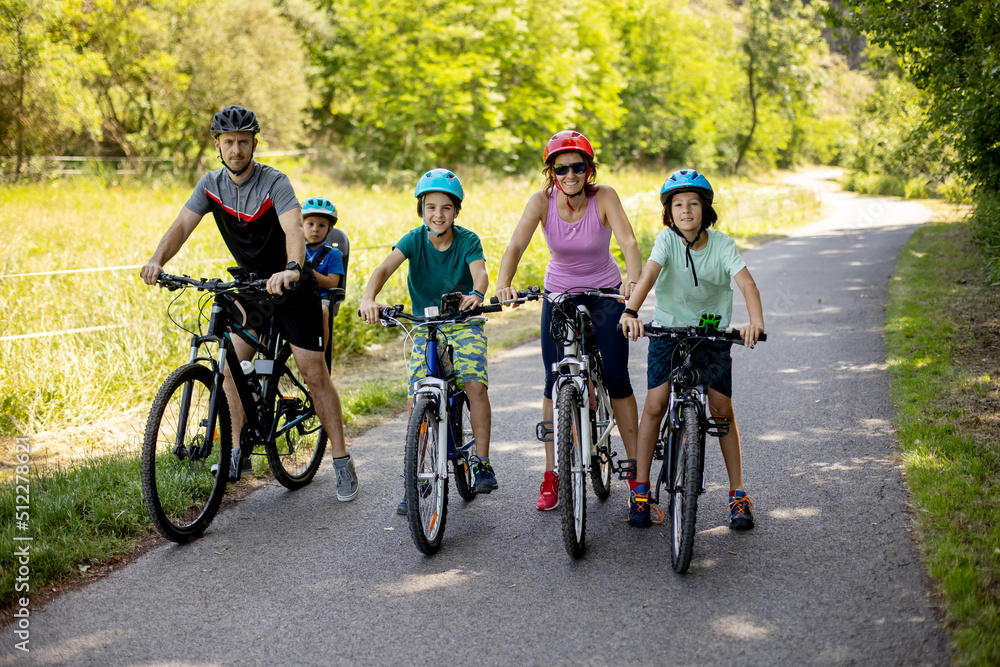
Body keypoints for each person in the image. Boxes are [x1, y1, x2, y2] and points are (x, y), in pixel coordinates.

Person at [140, 104, 359, 502]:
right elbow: (182, 225)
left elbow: (293, 225)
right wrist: (158, 260)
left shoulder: (275, 182)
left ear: (254, 144)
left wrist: (293, 267)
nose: (236, 149)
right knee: (228, 365)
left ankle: (341, 460)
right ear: (218, 145)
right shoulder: (210, 185)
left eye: (243, 142)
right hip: (253, 289)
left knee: (312, 371)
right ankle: (236, 450)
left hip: (292, 288)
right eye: (229, 142)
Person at [495, 130, 643, 512]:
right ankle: (552, 475)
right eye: (562, 168)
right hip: (559, 294)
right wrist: (503, 284)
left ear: (589, 169)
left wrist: (631, 280)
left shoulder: (604, 197)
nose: (570, 174)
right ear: (552, 172)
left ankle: (636, 476)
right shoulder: (540, 202)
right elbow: (515, 245)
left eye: (578, 166)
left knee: (616, 377)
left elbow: (628, 242)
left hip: (605, 293)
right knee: (552, 380)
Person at [619, 168, 764, 529]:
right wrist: (631, 311)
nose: (686, 211)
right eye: (678, 205)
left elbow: (747, 285)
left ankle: (737, 494)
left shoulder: (723, 244)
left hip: (711, 332)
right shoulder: (666, 241)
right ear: (669, 213)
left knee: (721, 409)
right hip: (668, 330)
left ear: (706, 211)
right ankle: (640, 490)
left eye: (693, 204)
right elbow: (649, 275)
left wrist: (754, 322)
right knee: (654, 404)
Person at [358, 169, 498, 514]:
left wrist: (477, 293)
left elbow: (480, 271)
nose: (438, 214)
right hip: (425, 325)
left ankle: (481, 461)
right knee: (415, 396)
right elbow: (383, 269)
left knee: (474, 384)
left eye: (446, 208)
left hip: (463, 322)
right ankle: (416, 475)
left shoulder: (467, 240)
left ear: (457, 212)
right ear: (421, 209)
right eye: (430, 207)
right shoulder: (412, 240)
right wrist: (368, 298)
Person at [301, 196, 345, 350]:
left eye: (321, 225)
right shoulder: (296, 250)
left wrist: (308, 272)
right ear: (301, 225)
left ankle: (321, 353)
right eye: (310, 224)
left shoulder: (333, 254)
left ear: (329, 229)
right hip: (296, 296)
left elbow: (333, 282)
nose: (315, 229)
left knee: (322, 311)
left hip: (321, 297)